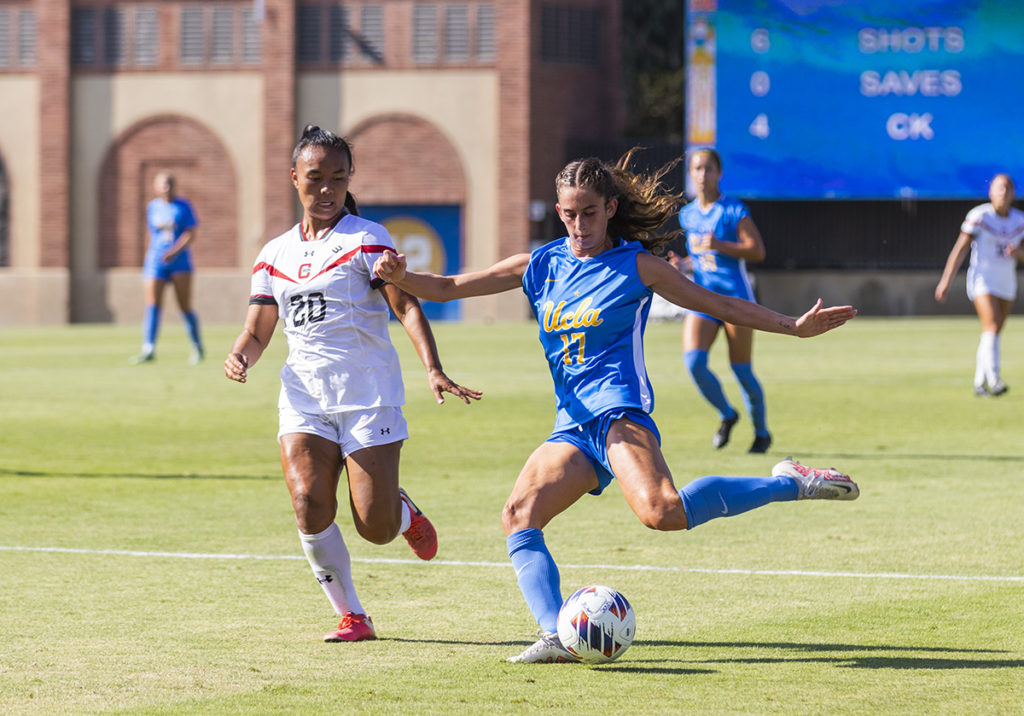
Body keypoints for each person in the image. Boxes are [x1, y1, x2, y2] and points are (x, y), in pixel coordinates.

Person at [373, 150, 860, 664]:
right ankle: (557, 636)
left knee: (663, 513)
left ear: (609, 208)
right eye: (568, 213)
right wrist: (401, 275)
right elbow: (447, 289)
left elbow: (720, 305)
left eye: (588, 212)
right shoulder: (540, 265)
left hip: (620, 415)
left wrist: (793, 326)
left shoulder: (638, 266)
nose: (578, 224)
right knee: (518, 515)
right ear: (559, 213)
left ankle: (790, 480)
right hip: (572, 427)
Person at [224, 125, 481, 642]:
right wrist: (241, 355)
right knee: (307, 502)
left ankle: (402, 512)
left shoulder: (367, 239)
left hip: (368, 396)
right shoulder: (272, 254)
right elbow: (258, 328)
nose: (326, 190)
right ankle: (352, 615)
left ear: (348, 180)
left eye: (337, 179)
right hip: (303, 399)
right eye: (315, 178)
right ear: (293, 177)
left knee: (376, 528)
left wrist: (431, 366)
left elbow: (405, 304)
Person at [679, 148, 770, 452]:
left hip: (736, 302)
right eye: (697, 169)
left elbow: (757, 251)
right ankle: (727, 415)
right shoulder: (687, 214)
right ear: (690, 174)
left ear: (719, 174)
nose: (702, 175)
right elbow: (701, 257)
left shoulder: (733, 210)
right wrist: (683, 264)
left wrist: (720, 244)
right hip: (704, 300)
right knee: (694, 363)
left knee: (742, 370)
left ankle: (761, 433)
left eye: (708, 169)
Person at [935, 173, 1024, 396]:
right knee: (992, 325)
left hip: (1006, 281)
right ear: (991, 192)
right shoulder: (979, 216)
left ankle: (979, 381)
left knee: (993, 331)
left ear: (1013, 193)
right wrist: (946, 281)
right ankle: (995, 380)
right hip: (983, 280)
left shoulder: (1019, 220)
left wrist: (1019, 253)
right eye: (999, 188)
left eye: (1007, 189)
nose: (1003, 193)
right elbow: (960, 249)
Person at [131, 171, 205, 364]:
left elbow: (190, 233)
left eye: (170, 183)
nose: (167, 187)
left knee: (184, 306)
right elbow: (154, 234)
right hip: (156, 262)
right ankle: (149, 348)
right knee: (153, 305)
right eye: (163, 184)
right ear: (156, 187)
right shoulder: (152, 207)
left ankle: (196, 347)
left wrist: (175, 251)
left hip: (180, 263)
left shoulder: (184, 206)